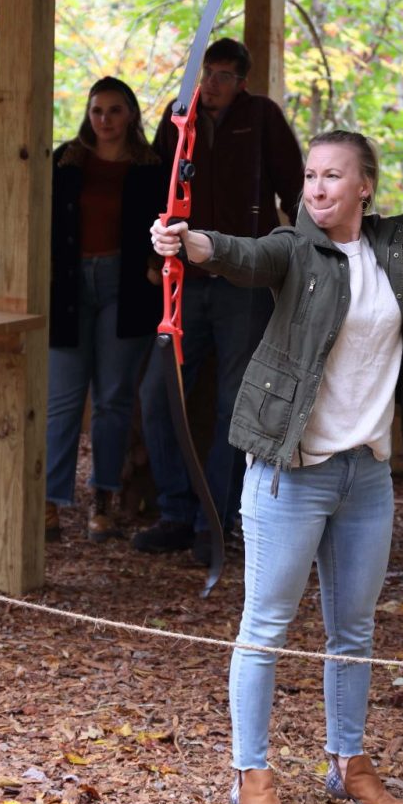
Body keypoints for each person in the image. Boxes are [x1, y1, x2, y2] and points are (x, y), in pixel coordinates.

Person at [151, 130, 403, 804]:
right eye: (310, 176)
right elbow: (242, 254)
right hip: (291, 469)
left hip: (366, 472)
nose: (319, 188)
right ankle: (252, 773)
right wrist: (189, 241)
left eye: (334, 176)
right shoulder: (295, 249)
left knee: (353, 630)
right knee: (265, 626)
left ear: (365, 186)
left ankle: (348, 762)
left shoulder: (395, 245)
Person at [132, 38, 304, 567]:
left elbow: (296, 191)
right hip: (181, 275)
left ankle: (218, 520)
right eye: (208, 73)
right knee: (159, 395)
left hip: (242, 280)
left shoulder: (263, 118)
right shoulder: (178, 115)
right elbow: (154, 186)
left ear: (243, 81)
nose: (213, 84)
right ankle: (177, 512)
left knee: (236, 402)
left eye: (226, 76)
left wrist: (303, 263)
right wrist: (153, 248)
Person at [45, 77, 167, 543]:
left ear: (131, 114)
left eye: (115, 110)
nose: (105, 120)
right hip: (70, 286)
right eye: (98, 110)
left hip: (128, 285)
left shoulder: (150, 167)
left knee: (114, 400)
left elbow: (167, 222)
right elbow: (46, 220)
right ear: (87, 114)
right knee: (63, 401)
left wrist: (154, 266)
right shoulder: (66, 161)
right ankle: (51, 503)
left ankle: (103, 501)